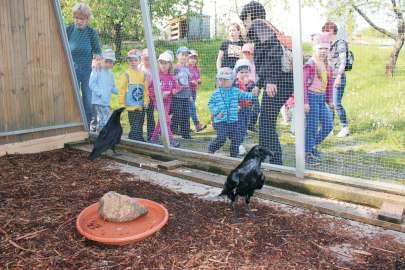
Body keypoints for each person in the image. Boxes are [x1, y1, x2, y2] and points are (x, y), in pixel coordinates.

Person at [240, 1, 294, 165]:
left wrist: (270, 81)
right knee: (266, 121)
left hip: (279, 80)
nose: (245, 23)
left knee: (266, 122)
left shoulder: (258, 24)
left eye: (245, 19)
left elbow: (273, 53)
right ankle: (265, 158)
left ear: (250, 15)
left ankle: (276, 161)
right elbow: (263, 61)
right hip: (282, 80)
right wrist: (258, 83)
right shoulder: (266, 27)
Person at [208, 67, 259, 158]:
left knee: (236, 139)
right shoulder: (216, 93)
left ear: (232, 80)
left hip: (233, 121)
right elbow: (210, 104)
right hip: (220, 121)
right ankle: (211, 149)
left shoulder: (235, 91)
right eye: (221, 79)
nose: (224, 81)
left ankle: (233, 157)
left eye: (226, 80)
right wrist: (216, 112)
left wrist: (254, 94)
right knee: (222, 137)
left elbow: (246, 95)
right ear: (218, 81)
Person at [66, 2, 101, 126]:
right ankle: (75, 122)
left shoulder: (92, 32)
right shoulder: (69, 29)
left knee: (87, 97)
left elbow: (97, 52)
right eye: (76, 18)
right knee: (73, 96)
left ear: (87, 18)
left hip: (88, 70)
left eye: (81, 18)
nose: (78, 21)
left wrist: (95, 61)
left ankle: (89, 123)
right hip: (72, 68)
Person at [304, 33, 334, 165]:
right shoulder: (310, 64)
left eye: (326, 49)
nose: (323, 52)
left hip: (321, 99)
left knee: (328, 125)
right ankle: (307, 153)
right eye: (320, 49)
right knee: (312, 126)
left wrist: (330, 100)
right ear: (314, 49)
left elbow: (329, 83)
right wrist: (305, 102)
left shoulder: (327, 65)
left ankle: (309, 146)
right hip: (311, 97)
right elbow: (303, 84)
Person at [322, 21, 349, 138]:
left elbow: (343, 62)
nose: (324, 34)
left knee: (337, 103)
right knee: (329, 104)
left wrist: (338, 77)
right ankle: (330, 128)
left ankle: (344, 127)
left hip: (338, 77)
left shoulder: (340, 43)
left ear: (331, 31)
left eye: (325, 31)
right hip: (328, 77)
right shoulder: (328, 44)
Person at [149, 51, 180, 147]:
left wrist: (173, 91)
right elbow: (150, 89)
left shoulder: (171, 76)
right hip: (158, 101)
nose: (163, 65)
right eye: (161, 62)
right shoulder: (156, 76)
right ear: (158, 63)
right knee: (166, 120)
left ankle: (153, 138)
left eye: (165, 63)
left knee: (163, 120)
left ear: (170, 64)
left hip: (167, 102)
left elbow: (177, 87)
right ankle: (170, 139)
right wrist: (158, 95)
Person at [119, 49, 149, 141]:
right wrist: (121, 103)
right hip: (131, 105)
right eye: (130, 60)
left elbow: (145, 90)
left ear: (140, 60)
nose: (133, 62)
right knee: (134, 122)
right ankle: (137, 139)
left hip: (140, 104)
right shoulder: (127, 74)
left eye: (135, 60)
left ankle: (134, 136)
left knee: (140, 122)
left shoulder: (143, 74)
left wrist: (146, 101)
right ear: (128, 61)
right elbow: (122, 89)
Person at [89, 49, 118, 133]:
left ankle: (100, 134)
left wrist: (120, 92)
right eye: (107, 61)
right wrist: (100, 93)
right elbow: (91, 84)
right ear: (101, 60)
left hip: (106, 102)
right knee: (102, 119)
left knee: (105, 118)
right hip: (98, 101)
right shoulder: (97, 70)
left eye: (111, 62)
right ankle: (99, 135)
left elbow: (112, 87)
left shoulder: (111, 74)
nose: (109, 64)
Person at [233, 59, 257, 156]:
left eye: (246, 72)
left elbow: (253, 93)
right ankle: (237, 145)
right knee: (239, 127)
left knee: (244, 127)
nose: (244, 74)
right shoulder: (236, 83)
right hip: (239, 109)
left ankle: (239, 143)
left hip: (247, 108)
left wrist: (249, 86)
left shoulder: (251, 82)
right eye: (241, 72)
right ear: (237, 73)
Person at [171, 47, 192, 139]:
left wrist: (190, 94)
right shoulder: (175, 67)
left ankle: (186, 133)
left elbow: (188, 82)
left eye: (186, 55)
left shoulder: (187, 68)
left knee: (186, 114)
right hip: (177, 95)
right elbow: (172, 79)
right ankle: (171, 128)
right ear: (177, 56)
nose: (184, 56)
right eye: (182, 54)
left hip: (186, 95)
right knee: (177, 114)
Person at [241, 43, 260, 132]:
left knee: (256, 107)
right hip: (243, 86)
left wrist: (257, 85)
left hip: (253, 86)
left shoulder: (255, 63)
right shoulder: (240, 62)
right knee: (244, 106)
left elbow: (258, 75)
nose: (246, 55)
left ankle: (251, 124)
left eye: (248, 53)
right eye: (244, 53)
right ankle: (243, 125)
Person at [188, 49, 206, 132]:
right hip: (187, 91)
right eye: (191, 58)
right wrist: (191, 81)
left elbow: (199, 79)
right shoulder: (186, 68)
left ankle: (186, 126)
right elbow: (184, 80)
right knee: (192, 107)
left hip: (194, 90)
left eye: (195, 58)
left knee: (189, 108)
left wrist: (199, 81)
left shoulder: (197, 68)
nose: (193, 60)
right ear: (188, 58)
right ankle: (197, 125)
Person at [140, 48, 156, 141]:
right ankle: (139, 136)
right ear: (142, 59)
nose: (147, 61)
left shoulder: (154, 69)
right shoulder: (140, 68)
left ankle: (151, 136)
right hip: (141, 96)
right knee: (140, 116)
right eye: (146, 59)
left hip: (150, 96)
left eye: (149, 59)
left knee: (150, 116)